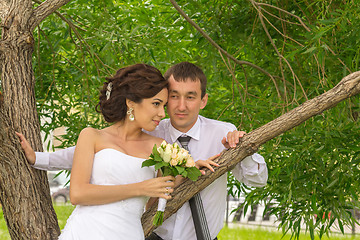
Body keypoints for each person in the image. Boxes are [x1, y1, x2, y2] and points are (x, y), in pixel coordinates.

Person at [18, 62, 268, 240]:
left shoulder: (210, 135)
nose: (177, 107)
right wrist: (37, 158)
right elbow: (84, 161)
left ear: (202, 100)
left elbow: (257, 180)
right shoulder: (147, 132)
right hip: (110, 231)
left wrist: (236, 151)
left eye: (190, 97)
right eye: (168, 99)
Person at [18, 63, 176, 239]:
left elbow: (163, 192)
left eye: (164, 105)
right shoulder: (91, 136)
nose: (162, 113)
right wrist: (141, 188)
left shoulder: (160, 147)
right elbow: (78, 194)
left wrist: (188, 167)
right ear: (131, 102)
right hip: (84, 232)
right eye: (156, 104)